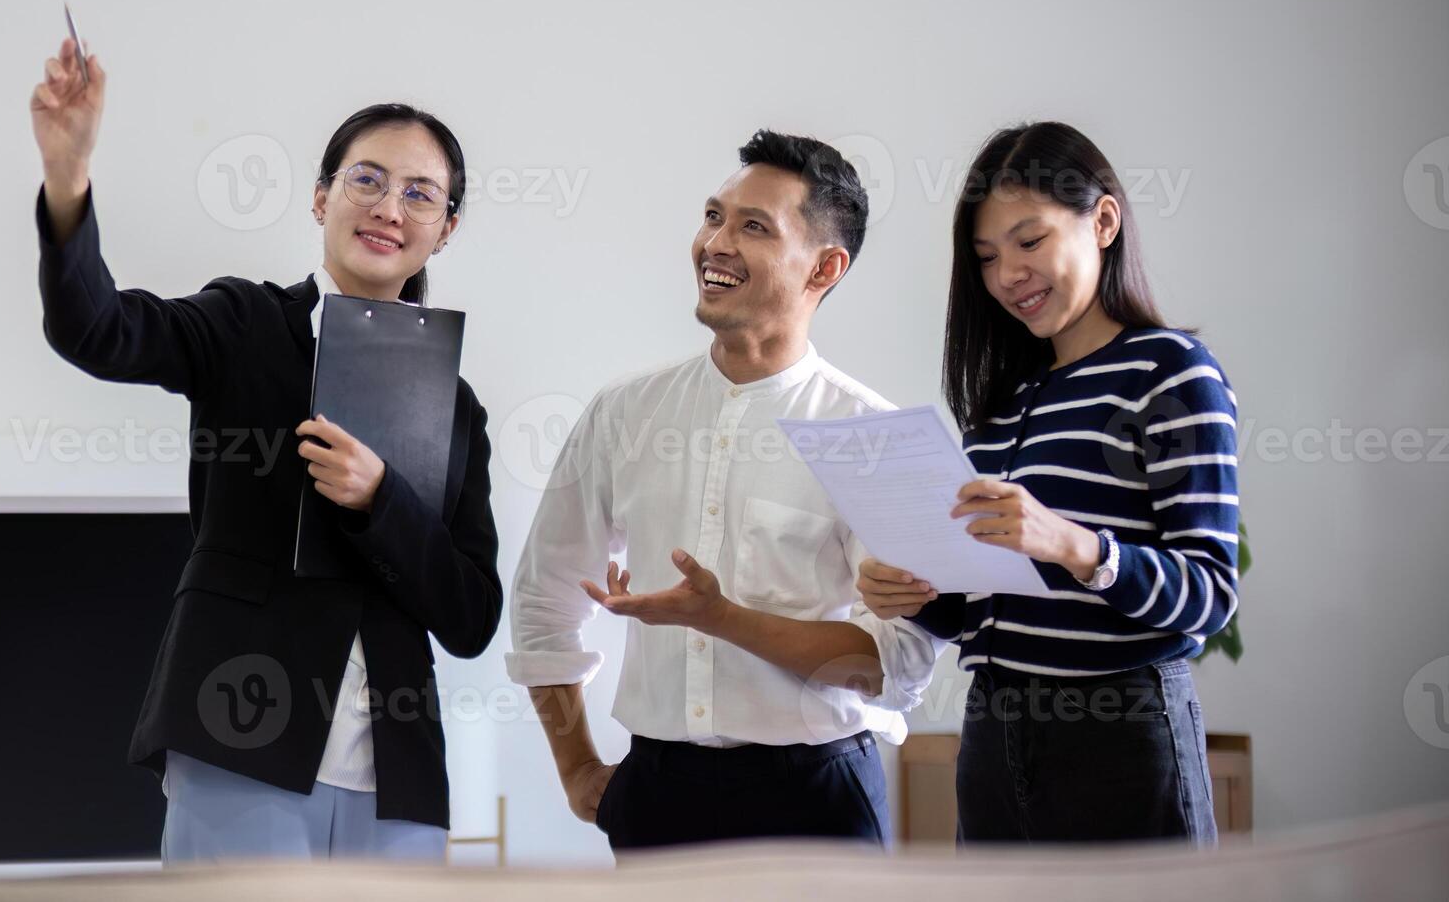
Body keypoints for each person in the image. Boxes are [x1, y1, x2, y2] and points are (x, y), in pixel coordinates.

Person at [27, 36, 502, 864]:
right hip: (237, 736)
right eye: (367, 179)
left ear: (446, 228)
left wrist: (381, 500)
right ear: (321, 199)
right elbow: (96, 329)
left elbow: (470, 616)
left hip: (399, 784)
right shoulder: (243, 324)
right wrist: (68, 179)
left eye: (421, 194)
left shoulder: (456, 408)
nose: (391, 208)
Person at [507, 129, 944, 854]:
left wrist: (720, 618)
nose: (716, 243)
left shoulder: (873, 436)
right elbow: (541, 601)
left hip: (817, 803)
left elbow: (893, 668)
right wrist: (578, 768)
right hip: (657, 796)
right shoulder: (626, 412)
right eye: (714, 216)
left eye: (753, 227)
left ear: (824, 268)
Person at [857, 121, 1237, 845]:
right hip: (994, 732)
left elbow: (1210, 596)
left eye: (1029, 243)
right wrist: (916, 595)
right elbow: (987, 609)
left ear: (1102, 220)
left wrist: (1076, 546)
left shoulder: (1170, 370)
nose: (1007, 276)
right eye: (987, 257)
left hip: (1121, 733)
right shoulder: (1002, 401)